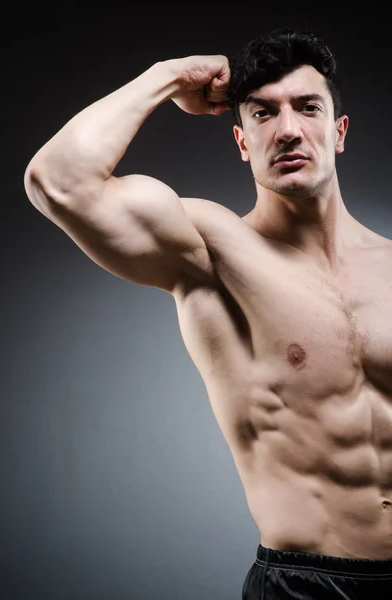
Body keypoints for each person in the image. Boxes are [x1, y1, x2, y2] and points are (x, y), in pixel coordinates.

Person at [24, 26, 392, 599]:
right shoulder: (208, 249)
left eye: (307, 107)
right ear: (243, 142)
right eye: (263, 114)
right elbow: (58, 181)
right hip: (307, 584)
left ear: (338, 132)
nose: (289, 129)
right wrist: (169, 75)